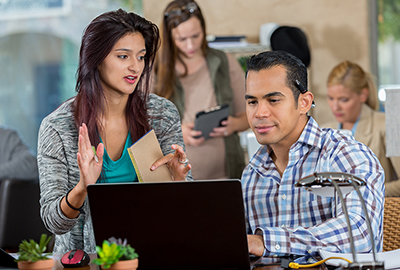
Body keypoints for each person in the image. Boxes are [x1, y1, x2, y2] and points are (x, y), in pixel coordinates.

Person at [37, 9, 192, 255]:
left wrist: (179, 181)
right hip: (86, 261)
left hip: (152, 253)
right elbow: (54, 221)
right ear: (97, 59)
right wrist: (82, 188)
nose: (135, 67)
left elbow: (183, 209)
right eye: (123, 56)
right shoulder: (57, 127)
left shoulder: (162, 114)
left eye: (141, 57)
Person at [243, 51, 384, 257]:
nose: (260, 113)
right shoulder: (251, 175)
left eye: (273, 100)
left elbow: (361, 235)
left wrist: (267, 242)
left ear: (304, 103)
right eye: (252, 102)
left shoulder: (345, 155)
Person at [152, 0, 249, 180]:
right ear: (170, 37)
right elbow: (143, 127)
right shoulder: (155, 69)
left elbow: (249, 116)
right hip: (178, 181)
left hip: (228, 176)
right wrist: (178, 132)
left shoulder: (225, 62)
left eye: (196, 36)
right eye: (182, 39)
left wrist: (233, 125)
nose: (190, 45)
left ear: (204, 29)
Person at [324, 60, 400, 197]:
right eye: (330, 98)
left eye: (343, 99)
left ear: (363, 95)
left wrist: (360, 191)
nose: (335, 107)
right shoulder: (324, 130)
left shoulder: (389, 124)